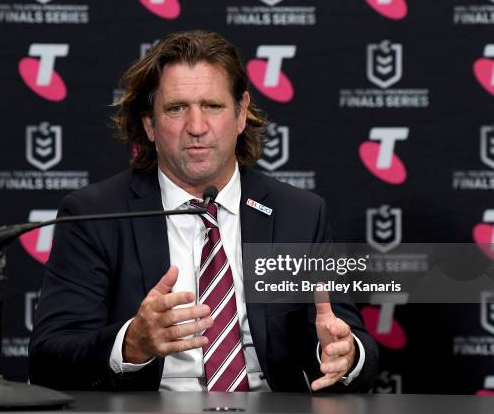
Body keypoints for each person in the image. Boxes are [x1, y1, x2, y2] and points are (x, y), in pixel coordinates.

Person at [29, 30, 378, 392]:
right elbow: (48, 359)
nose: (196, 127)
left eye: (212, 106)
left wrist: (346, 354)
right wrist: (130, 343)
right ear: (149, 124)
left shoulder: (299, 215)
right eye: (176, 108)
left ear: (241, 114)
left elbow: (350, 342)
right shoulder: (95, 215)